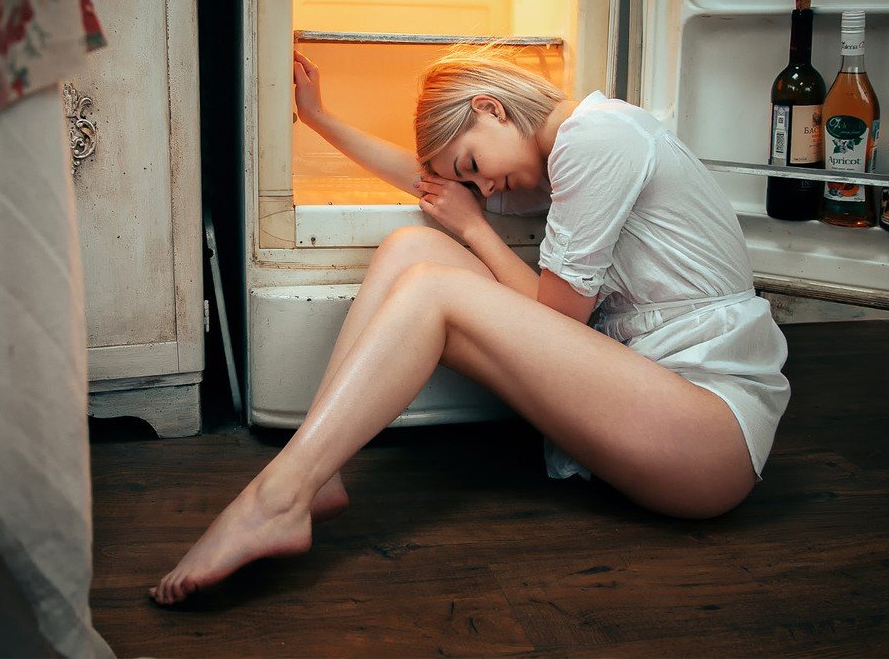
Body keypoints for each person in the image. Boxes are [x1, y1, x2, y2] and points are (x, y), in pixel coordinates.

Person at [150, 49, 790, 605]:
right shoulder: (565, 149)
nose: (482, 185)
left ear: (491, 108)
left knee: (434, 286)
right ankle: (317, 471)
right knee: (410, 248)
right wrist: (319, 119)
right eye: (474, 179)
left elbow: (555, 318)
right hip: (656, 403)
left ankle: (276, 500)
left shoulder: (596, 141)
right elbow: (428, 183)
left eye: (474, 164)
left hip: (712, 432)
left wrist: (476, 227)